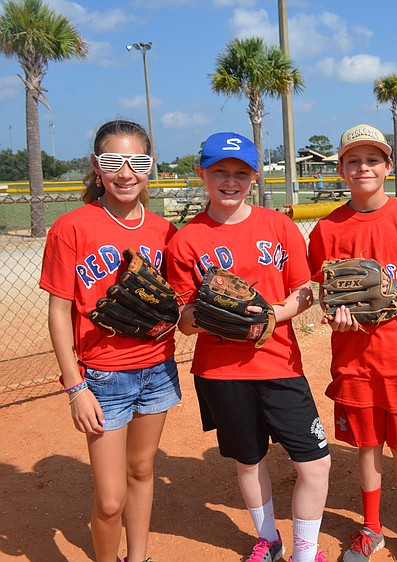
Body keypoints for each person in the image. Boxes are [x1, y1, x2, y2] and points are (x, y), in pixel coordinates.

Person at [166, 132, 330, 562]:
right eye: (220, 171)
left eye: (241, 172)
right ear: (203, 174)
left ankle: (305, 551)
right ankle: (269, 540)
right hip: (222, 372)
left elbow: (304, 291)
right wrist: (214, 316)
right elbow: (183, 324)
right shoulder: (185, 241)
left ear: (254, 177)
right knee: (249, 460)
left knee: (315, 463)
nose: (230, 180)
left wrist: (270, 315)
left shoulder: (278, 226)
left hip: (281, 364)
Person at [40, 119, 181, 562]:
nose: (126, 172)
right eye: (113, 161)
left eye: (137, 161)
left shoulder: (166, 232)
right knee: (109, 499)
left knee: (142, 471)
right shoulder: (72, 228)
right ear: (96, 166)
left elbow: (178, 307)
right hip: (102, 379)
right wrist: (75, 386)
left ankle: (136, 557)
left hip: (157, 369)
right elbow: (59, 313)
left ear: (150, 166)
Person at [307, 124, 397, 562]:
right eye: (353, 160)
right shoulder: (327, 229)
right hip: (353, 359)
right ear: (342, 170)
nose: (362, 167)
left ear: (387, 166)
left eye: (372, 159)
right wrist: (334, 316)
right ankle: (371, 528)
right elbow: (323, 293)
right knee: (368, 446)